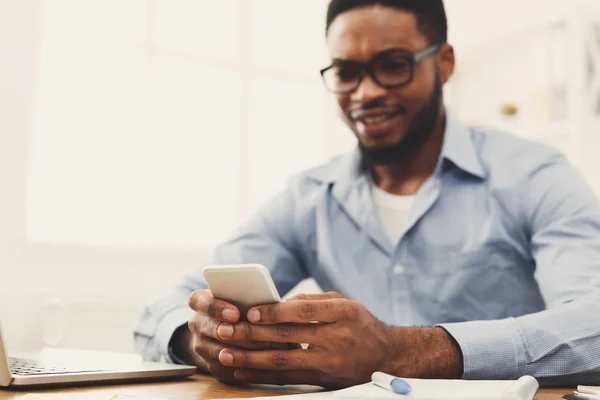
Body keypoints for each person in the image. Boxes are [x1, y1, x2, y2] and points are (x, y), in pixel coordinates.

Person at [135, 0, 600, 389]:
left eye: (393, 66)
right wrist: (197, 338)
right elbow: (162, 307)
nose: (367, 92)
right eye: (346, 72)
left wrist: (404, 352)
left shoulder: (533, 175)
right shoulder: (309, 199)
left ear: (444, 63)